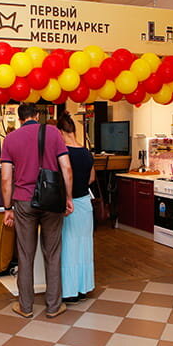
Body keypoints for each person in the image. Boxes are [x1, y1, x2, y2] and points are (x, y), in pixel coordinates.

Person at [1, 103, 73, 319]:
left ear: (19, 118)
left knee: (25, 254)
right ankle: (53, 306)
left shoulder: (10, 139)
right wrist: (68, 197)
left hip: (23, 201)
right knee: (53, 253)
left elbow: (6, 179)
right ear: (36, 115)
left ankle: (26, 306)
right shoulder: (52, 133)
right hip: (51, 200)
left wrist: (7, 208)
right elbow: (66, 168)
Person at [56, 111, 96, 303]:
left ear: (60, 132)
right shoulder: (86, 152)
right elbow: (92, 178)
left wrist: (68, 196)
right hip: (85, 203)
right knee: (84, 247)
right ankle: (83, 289)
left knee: (69, 248)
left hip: (69, 205)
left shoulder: (64, 153)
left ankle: (69, 291)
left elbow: (66, 176)